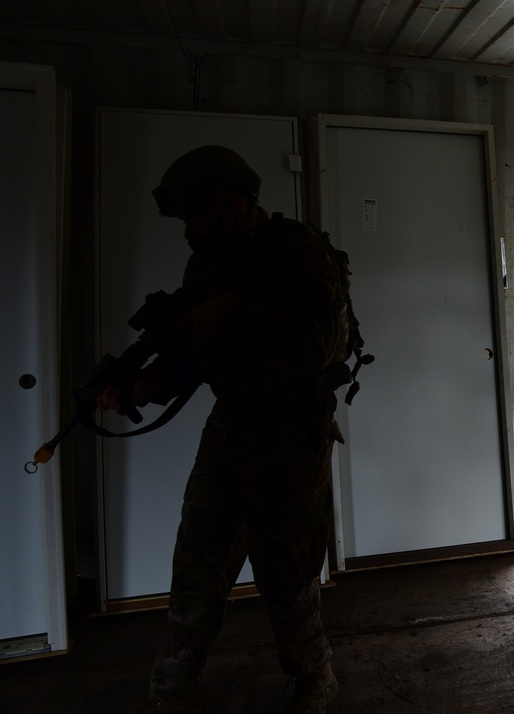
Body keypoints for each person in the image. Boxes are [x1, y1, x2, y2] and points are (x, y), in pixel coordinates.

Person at [97, 145, 359, 712]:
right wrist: (141, 387)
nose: (188, 231)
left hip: (290, 437)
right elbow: (194, 352)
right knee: (196, 571)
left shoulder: (300, 254)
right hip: (230, 430)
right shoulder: (209, 263)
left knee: (287, 579)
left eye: (196, 216)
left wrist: (231, 313)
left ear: (235, 208)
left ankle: (314, 678)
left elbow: (315, 349)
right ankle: (172, 692)